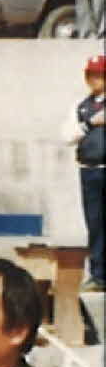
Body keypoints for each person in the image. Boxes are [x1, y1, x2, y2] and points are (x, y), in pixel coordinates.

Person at [73, 54, 106, 289]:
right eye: (91, 75)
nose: (94, 80)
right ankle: (98, 274)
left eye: (99, 75)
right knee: (94, 223)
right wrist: (91, 123)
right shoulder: (83, 106)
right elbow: (67, 134)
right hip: (89, 170)